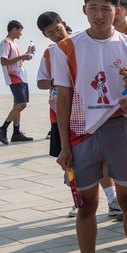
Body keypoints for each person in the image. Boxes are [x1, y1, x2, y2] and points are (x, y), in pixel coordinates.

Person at [52, 0, 127, 253]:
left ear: (117, 11)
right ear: (84, 10)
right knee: (87, 204)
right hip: (82, 132)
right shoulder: (67, 47)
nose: (99, 14)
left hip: (121, 129)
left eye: (106, 8)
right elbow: (63, 98)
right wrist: (64, 146)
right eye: (93, 8)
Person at [36, 12, 73, 214]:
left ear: (64, 24)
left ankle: (111, 198)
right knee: (67, 157)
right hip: (59, 112)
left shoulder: (80, 45)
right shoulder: (49, 53)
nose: (57, 35)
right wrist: (54, 82)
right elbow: (40, 82)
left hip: (84, 112)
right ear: (45, 35)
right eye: (51, 33)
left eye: (58, 29)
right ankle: (76, 197)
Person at [0, 20, 35, 144]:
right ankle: (3, 128)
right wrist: (22, 57)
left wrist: (26, 55)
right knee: (22, 104)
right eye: (20, 30)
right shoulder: (5, 43)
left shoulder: (13, 44)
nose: (21, 33)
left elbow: (16, 62)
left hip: (21, 76)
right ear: (14, 30)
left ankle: (16, 132)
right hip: (14, 77)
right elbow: (4, 61)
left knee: (17, 104)